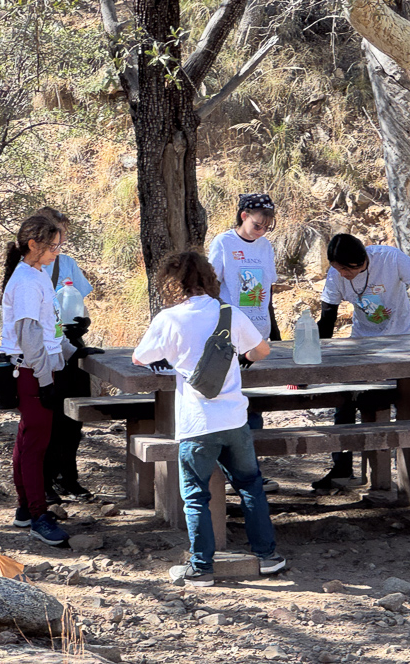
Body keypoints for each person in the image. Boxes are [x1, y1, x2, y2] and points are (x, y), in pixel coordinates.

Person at [132, 251, 286, 587]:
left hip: (197, 422)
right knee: (250, 486)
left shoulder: (169, 319)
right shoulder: (228, 313)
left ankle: (202, 566)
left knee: (195, 495)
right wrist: (239, 354)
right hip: (234, 418)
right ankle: (267, 556)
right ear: (209, 278)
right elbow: (262, 351)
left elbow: (140, 357)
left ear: (172, 284)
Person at [311, 233, 410, 490]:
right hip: (361, 344)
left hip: (400, 344)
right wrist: (314, 353)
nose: (341, 274)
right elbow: (327, 319)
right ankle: (342, 468)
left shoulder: (390, 258)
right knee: (345, 400)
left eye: (345, 270)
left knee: (406, 403)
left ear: (359, 263)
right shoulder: (335, 275)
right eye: (336, 269)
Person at [0, 215, 78, 545]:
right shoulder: (28, 282)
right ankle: (36, 514)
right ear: (34, 245)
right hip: (32, 372)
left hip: (37, 369)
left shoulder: (37, 273)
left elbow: (50, 327)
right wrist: (46, 381)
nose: (58, 252)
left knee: (26, 440)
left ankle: (24, 509)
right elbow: (29, 336)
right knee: (35, 448)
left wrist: (73, 351)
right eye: (54, 246)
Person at [208, 193, 281, 493]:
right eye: (258, 224)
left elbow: (269, 290)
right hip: (230, 334)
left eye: (267, 226)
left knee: (254, 406)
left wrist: (274, 331)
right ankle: (230, 474)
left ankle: (250, 474)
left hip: (257, 333)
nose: (262, 230)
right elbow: (211, 288)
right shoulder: (223, 243)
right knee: (229, 405)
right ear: (243, 216)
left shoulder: (265, 247)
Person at [37, 206, 98, 504]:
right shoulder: (29, 269)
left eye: (61, 239)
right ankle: (44, 481)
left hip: (71, 346)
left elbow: (79, 303)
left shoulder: (67, 264)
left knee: (73, 420)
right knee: (49, 419)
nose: (58, 246)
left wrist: (83, 322)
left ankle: (68, 477)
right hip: (46, 351)